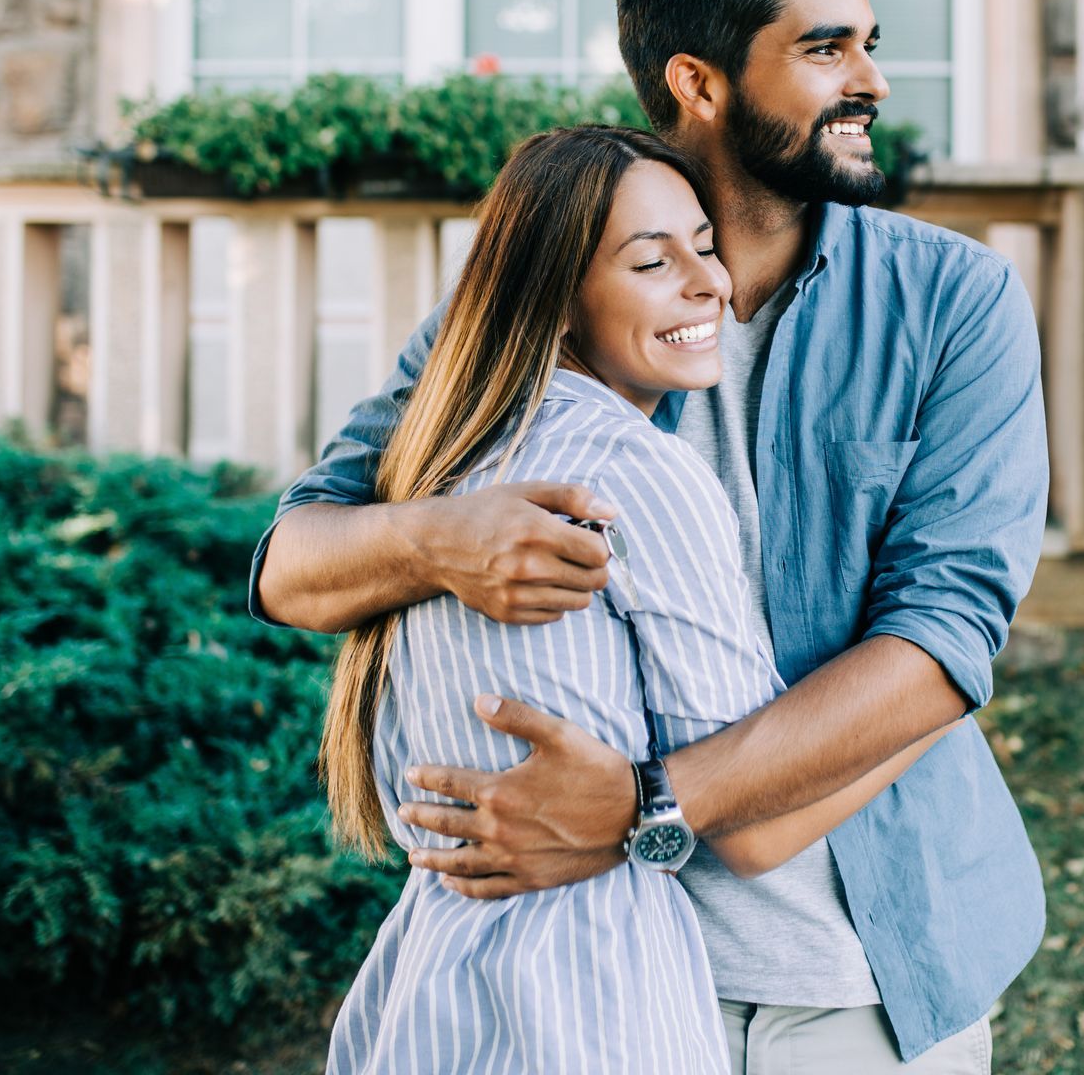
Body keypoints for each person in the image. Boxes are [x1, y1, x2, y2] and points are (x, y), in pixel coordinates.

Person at [254, 0, 1047, 1072]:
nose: (870, 78)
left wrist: (641, 804)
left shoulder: (953, 304)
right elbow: (290, 566)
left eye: (868, 43)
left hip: (862, 980)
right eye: (826, 47)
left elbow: (945, 638)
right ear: (700, 81)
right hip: (585, 981)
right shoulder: (539, 298)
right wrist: (437, 538)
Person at [320, 123, 950, 1073]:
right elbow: (756, 821)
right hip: (593, 987)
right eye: (653, 264)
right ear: (558, 299)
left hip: (429, 983)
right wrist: (941, 693)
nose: (711, 286)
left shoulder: (440, 460)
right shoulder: (631, 471)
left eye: (706, 248)